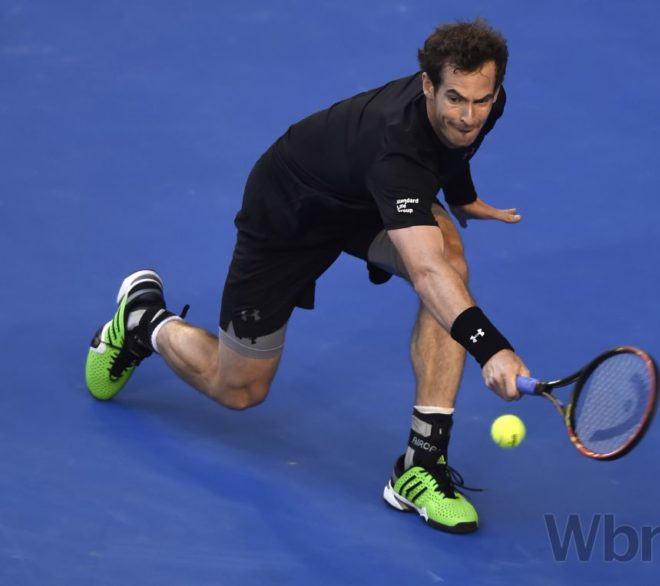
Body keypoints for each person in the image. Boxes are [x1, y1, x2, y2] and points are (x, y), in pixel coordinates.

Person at [85, 18, 530, 534]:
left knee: (450, 256)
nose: (469, 115)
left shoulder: (483, 101)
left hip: (366, 203)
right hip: (291, 211)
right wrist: (491, 348)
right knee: (240, 389)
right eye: (455, 99)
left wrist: (461, 197)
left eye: (481, 100)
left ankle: (421, 466)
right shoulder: (396, 148)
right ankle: (143, 322)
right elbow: (427, 274)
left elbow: (455, 149)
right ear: (428, 85)